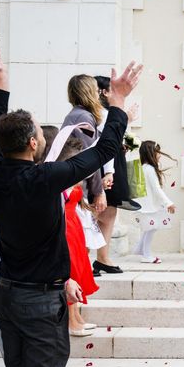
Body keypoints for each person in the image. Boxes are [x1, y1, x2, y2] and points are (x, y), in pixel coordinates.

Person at [0, 47, 141, 367]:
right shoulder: (44, 179)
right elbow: (104, 150)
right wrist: (118, 102)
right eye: (39, 131)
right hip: (38, 302)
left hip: (7, 293)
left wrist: (0, 82)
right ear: (34, 145)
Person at [61, 74, 122, 276]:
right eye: (96, 89)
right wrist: (99, 192)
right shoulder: (84, 119)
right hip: (79, 186)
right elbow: (90, 160)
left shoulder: (78, 115)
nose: (99, 92)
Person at [91, 76, 141, 276]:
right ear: (104, 92)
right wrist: (125, 119)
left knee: (110, 212)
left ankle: (102, 258)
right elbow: (104, 140)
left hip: (116, 162)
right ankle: (83, 258)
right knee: (93, 211)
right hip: (102, 165)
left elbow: (121, 138)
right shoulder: (98, 114)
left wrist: (126, 123)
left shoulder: (111, 113)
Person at [56, 137, 100, 337]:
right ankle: (71, 322)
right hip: (66, 226)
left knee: (77, 270)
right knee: (70, 270)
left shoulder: (70, 176)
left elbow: (78, 198)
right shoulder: (59, 175)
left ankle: (76, 317)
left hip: (75, 226)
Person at [133, 141, 176, 263]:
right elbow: (156, 189)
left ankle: (140, 248)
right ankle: (146, 255)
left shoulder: (143, 168)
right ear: (151, 153)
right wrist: (169, 203)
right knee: (151, 229)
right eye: (157, 152)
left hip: (146, 204)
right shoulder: (150, 169)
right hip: (150, 206)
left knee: (149, 228)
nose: (160, 155)